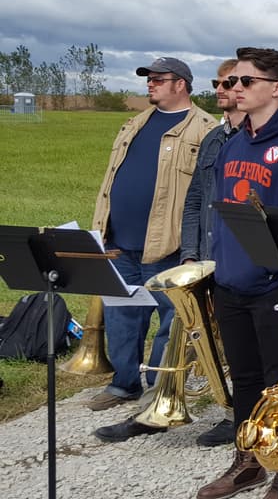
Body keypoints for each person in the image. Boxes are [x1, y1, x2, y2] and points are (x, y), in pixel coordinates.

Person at [197, 47, 278, 499]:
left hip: (277, 285)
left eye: (244, 82)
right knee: (246, 380)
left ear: (276, 88)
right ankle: (249, 462)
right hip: (231, 282)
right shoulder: (233, 142)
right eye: (232, 82)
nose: (234, 89)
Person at [95, 58, 244, 444]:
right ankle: (123, 382)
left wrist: (193, 249)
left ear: (181, 84)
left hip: (166, 245)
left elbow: (201, 195)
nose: (151, 86)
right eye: (149, 80)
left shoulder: (205, 129)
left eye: (158, 80)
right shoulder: (135, 123)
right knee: (122, 316)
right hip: (119, 241)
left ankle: (158, 391)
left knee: (168, 324)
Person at [179, 58, 245, 447]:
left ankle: (250, 415)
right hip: (205, 258)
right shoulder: (212, 140)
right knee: (222, 343)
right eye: (216, 83)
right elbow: (194, 202)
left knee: (248, 347)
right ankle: (230, 410)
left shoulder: (257, 143)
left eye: (228, 82)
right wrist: (190, 255)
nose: (219, 90)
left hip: (239, 263)